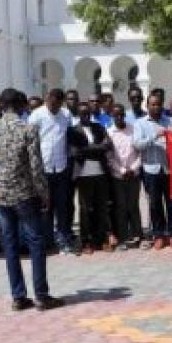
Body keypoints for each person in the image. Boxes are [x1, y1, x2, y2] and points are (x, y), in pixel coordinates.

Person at [0, 88, 63, 312]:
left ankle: (18, 296)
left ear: (2, 105)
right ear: (21, 105)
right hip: (24, 193)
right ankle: (41, 295)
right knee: (36, 243)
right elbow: (36, 167)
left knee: (9, 245)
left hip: (2, 192)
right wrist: (44, 194)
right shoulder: (29, 129)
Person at [28, 89, 77, 254]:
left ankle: (63, 239)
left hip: (62, 166)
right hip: (43, 168)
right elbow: (30, 141)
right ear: (47, 99)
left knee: (62, 206)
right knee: (44, 207)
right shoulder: (36, 115)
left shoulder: (66, 114)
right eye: (52, 104)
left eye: (57, 105)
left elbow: (70, 137)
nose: (54, 107)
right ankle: (47, 241)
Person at [134, 93, 172, 249]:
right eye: (152, 104)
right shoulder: (140, 123)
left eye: (158, 104)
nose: (156, 107)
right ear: (147, 106)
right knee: (154, 204)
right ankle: (158, 234)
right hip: (150, 169)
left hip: (168, 169)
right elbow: (137, 145)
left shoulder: (170, 121)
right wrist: (155, 135)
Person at [69, 103, 114, 253]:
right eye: (83, 114)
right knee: (85, 209)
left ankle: (101, 240)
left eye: (88, 113)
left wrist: (89, 149)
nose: (86, 116)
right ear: (78, 115)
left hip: (100, 173)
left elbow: (108, 145)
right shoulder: (73, 130)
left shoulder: (98, 127)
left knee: (102, 208)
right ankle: (86, 241)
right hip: (83, 175)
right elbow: (76, 152)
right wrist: (97, 148)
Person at [108, 104, 143, 249]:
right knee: (121, 207)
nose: (119, 117)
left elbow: (140, 152)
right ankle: (123, 237)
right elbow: (109, 157)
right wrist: (122, 170)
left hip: (134, 174)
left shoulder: (133, 129)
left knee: (133, 205)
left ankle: (138, 236)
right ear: (112, 116)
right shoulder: (109, 132)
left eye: (122, 115)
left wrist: (133, 168)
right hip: (118, 175)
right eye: (116, 115)